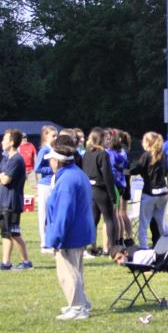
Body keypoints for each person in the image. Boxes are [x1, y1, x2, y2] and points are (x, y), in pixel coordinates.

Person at [44, 135, 96, 321]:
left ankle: (77, 307)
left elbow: (63, 212)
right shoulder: (76, 173)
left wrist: (55, 238)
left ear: (57, 161)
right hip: (80, 231)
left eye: (51, 159)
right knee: (76, 271)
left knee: (67, 273)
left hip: (70, 234)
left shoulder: (66, 180)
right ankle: (81, 303)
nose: (49, 162)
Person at [0, 129, 32, 270]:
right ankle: (6, 263)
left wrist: (1, 176)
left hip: (12, 202)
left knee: (14, 233)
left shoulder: (17, 159)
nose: (2, 142)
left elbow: (5, 180)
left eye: (4, 139)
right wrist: (1, 175)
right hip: (2, 201)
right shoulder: (6, 158)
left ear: (12, 142)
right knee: (5, 233)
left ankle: (26, 262)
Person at [130, 132, 168, 248]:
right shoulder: (163, 154)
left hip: (149, 193)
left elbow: (136, 170)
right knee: (162, 222)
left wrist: (125, 171)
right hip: (163, 192)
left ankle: (144, 247)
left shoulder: (146, 155)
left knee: (143, 223)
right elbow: (166, 171)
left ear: (148, 143)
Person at [82, 127, 118, 255]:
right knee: (109, 219)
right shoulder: (103, 154)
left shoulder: (86, 153)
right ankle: (112, 248)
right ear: (100, 139)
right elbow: (107, 175)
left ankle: (91, 247)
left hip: (90, 189)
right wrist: (112, 195)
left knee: (93, 219)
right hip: (101, 189)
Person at [34, 125, 58, 253]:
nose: (56, 138)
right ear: (46, 136)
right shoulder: (44, 150)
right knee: (43, 214)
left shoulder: (53, 149)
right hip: (45, 185)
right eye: (53, 135)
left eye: (57, 135)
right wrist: (53, 169)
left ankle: (50, 240)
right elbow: (37, 168)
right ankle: (44, 244)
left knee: (52, 213)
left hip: (53, 184)